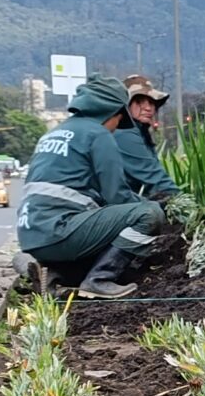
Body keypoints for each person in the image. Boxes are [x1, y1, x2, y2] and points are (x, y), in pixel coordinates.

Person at [14, 75, 164, 299]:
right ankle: (100, 279)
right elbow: (116, 197)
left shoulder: (54, 133)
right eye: (119, 120)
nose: (116, 128)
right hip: (59, 231)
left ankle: (49, 272)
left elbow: (89, 192)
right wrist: (152, 205)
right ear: (112, 112)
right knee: (150, 215)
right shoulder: (98, 134)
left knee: (102, 235)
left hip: (32, 235)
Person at [116, 76, 183, 202]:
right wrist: (185, 205)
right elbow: (153, 176)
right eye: (140, 101)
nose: (148, 108)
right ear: (126, 105)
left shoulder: (141, 133)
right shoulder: (123, 134)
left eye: (152, 102)